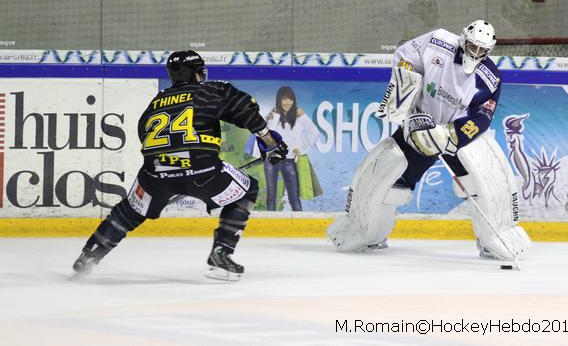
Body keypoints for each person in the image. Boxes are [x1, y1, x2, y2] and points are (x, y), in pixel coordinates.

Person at [72, 50, 288, 281]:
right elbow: (245, 109)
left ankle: (89, 256)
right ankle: (221, 253)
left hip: (155, 173)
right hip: (202, 171)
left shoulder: (156, 102)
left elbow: (143, 136)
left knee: (130, 210)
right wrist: (270, 143)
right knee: (247, 190)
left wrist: (169, 166)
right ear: (197, 73)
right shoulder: (209, 90)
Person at [327, 20, 532, 260]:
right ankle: (370, 232)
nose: (475, 53)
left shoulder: (490, 78)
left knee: (482, 185)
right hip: (419, 126)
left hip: (455, 136)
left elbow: (481, 117)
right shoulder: (438, 40)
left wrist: (449, 136)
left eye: (481, 50)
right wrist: (404, 94)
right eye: (472, 46)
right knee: (387, 175)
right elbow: (405, 56)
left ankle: (494, 238)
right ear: (464, 38)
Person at [263, 86, 319, 211]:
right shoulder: (274, 114)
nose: (288, 102)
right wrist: (273, 117)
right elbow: (268, 137)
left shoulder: (299, 114)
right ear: (279, 100)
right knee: (271, 196)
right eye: (284, 99)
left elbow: (314, 132)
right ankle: (270, 225)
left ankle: (300, 226)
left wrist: (301, 148)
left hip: (289, 160)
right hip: (272, 159)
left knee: (294, 197)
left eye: (291, 99)